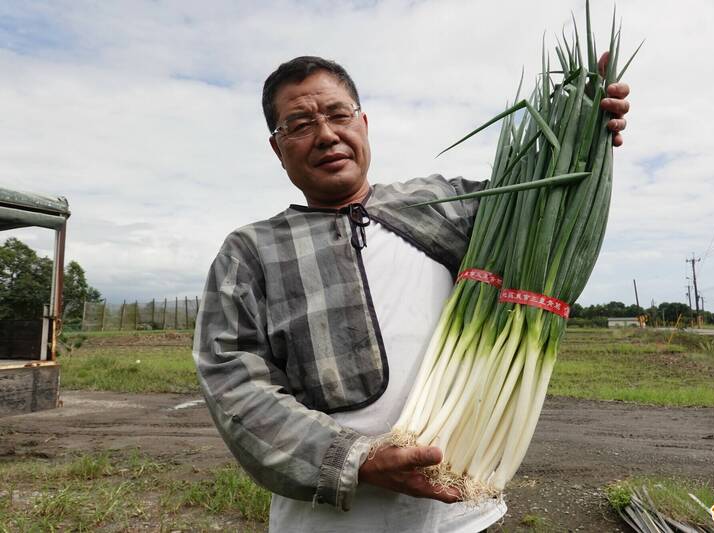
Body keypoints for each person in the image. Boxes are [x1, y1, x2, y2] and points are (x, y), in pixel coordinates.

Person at [193, 56, 630, 532]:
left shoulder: (446, 206)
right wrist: (358, 460)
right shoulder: (251, 252)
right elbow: (234, 386)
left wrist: (586, 125)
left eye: (339, 115)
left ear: (364, 123)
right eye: (299, 124)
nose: (325, 134)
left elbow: (548, 211)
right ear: (277, 149)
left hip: (463, 515)